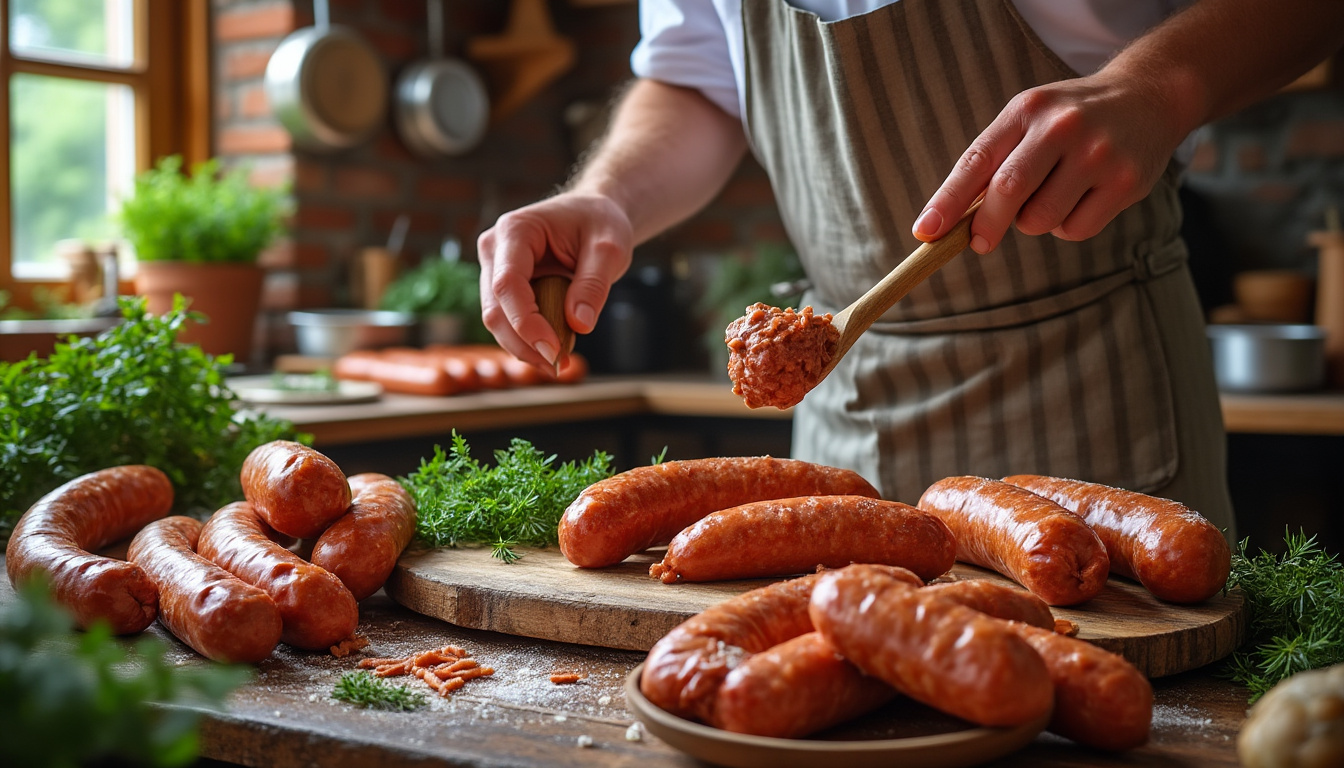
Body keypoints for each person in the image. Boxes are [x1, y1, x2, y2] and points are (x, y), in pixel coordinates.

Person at [477, 0, 1344, 535]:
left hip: (1100, 385)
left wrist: (1161, 87)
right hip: (848, 398)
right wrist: (610, 197)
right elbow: (697, 78)